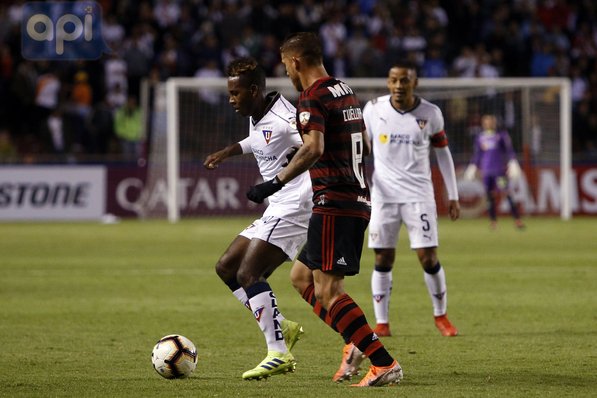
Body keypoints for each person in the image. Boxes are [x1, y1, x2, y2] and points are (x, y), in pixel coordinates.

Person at [246, 32, 403, 387]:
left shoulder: (311, 97)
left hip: (337, 201)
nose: (286, 72)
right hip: (346, 198)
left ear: (296, 62)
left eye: (286, 65)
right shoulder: (343, 90)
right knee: (300, 278)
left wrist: (275, 182)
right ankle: (355, 339)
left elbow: (313, 148)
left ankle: (383, 362)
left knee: (329, 292)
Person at [203, 57, 312, 380]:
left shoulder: (286, 116)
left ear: (253, 90)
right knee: (227, 267)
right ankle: (281, 326)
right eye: (229, 93)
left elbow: (317, 143)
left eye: (235, 94)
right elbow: (259, 139)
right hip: (277, 205)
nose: (231, 100)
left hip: (296, 204)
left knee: (250, 273)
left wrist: (302, 153)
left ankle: (278, 351)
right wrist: (228, 151)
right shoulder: (257, 112)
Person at [363, 62, 460, 338]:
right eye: (393, 80)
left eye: (404, 80)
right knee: (382, 256)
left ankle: (441, 316)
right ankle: (382, 323)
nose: (398, 86)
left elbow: (443, 153)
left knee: (428, 257)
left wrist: (452, 195)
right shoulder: (373, 109)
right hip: (383, 196)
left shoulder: (431, 113)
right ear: (387, 82)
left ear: (414, 83)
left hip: (419, 196)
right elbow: (362, 148)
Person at [464, 114, 525, 229]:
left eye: (491, 121)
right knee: (489, 197)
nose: (489, 124)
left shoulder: (501, 136)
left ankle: (517, 220)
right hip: (487, 173)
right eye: (486, 122)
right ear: (483, 124)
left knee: (507, 193)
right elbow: (477, 155)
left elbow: (509, 151)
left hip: (499, 172)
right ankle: (493, 222)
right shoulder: (480, 138)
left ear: (494, 123)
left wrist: (513, 162)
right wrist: (472, 167)